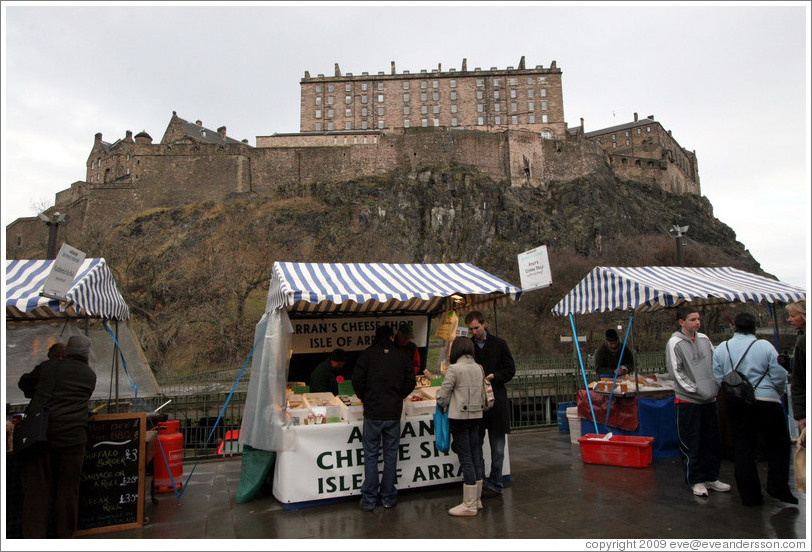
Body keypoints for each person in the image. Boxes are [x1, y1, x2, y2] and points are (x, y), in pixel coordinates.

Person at [17, 335, 97, 538]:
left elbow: (24, 383)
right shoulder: (89, 375)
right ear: (86, 354)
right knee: (68, 492)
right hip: (74, 438)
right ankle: (64, 536)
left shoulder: (49, 367)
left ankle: (34, 538)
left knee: (37, 491)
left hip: (41, 437)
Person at [712, 313, 795, 506]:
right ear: (754, 328)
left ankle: (749, 496)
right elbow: (779, 372)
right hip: (766, 400)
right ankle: (777, 486)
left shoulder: (722, 348)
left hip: (736, 404)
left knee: (742, 449)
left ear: (735, 328)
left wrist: (732, 392)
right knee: (778, 446)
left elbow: (717, 375)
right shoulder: (764, 346)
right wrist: (776, 391)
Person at [665, 306, 730, 497]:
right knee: (691, 442)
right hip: (688, 401)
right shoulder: (674, 343)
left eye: (698, 319)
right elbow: (676, 373)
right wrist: (696, 390)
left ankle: (712, 477)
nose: (697, 322)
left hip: (709, 399)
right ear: (682, 322)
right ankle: (696, 479)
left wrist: (714, 386)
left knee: (712, 439)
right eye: (692, 319)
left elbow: (714, 363)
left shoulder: (704, 339)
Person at [352, 325, 415, 511]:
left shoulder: (367, 355)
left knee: (371, 455)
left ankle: (369, 499)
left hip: (373, 413)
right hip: (393, 413)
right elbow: (410, 380)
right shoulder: (401, 356)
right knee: (390, 455)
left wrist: (365, 397)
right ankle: (388, 497)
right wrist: (398, 395)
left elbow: (357, 380)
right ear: (391, 337)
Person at [464, 310, 515, 499]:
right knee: (476, 445)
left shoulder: (499, 344)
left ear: (484, 324)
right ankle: (481, 480)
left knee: (498, 448)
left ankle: (495, 482)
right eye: (471, 329)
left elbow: (510, 369)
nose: (474, 332)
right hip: (476, 403)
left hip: (497, 402)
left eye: (476, 327)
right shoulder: (468, 346)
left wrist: (496, 377)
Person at [435, 336, 486, 516]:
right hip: (477, 415)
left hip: (459, 418)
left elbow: (443, 395)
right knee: (475, 455)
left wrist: (439, 398)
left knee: (465, 458)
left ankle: (469, 504)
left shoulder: (454, 369)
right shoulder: (478, 368)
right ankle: (477, 499)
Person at [787, 300, 806, 432]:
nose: (789, 319)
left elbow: (798, 379)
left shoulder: (803, 342)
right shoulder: (802, 341)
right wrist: (801, 414)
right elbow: (798, 380)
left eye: (793, 316)